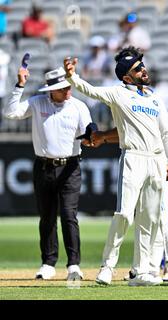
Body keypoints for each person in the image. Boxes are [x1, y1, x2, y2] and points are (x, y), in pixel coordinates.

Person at [63, 46, 168, 286]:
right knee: (124, 213)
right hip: (133, 157)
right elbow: (90, 91)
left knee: (150, 218)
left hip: (157, 160)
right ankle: (108, 266)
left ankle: (142, 271)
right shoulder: (118, 94)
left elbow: (167, 132)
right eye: (138, 68)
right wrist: (72, 76)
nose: (143, 70)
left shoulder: (154, 97)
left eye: (142, 65)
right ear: (127, 76)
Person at [2, 66, 92, 281]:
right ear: (50, 89)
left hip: (70, 166)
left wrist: (92, 135)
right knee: (47, 216)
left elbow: (89, 130)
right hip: (44, 166)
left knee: (69, 216)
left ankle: (73, 265)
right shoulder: (37, 102)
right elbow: (10, 112)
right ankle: (48, 263)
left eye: (68, 86)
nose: (67, 91)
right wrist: (20, 85)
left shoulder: (78, 106)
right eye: (62, 88)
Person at [87, 127, 168, 282]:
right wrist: (104, 138)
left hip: (158, 161)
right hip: (146, 160)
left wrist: (103, 136)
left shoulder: (151, 105)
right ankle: (150, 267)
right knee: (151, 215)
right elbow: (129, 132)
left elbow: (155, 132)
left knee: (160, 213)